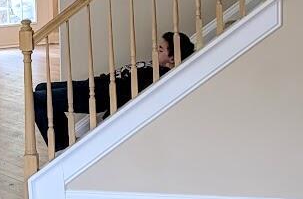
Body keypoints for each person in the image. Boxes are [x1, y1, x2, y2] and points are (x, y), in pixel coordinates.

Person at [33, 31, 195, 152]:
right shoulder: (152, 67)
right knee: (41, 88)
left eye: (160, 50)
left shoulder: (159, 75)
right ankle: (65, 143)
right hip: (93, 83)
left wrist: (106, 119)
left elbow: (127, 95)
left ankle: (63, 147)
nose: (155, 50)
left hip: (96, 95)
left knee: (36, 98)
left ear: (173, 58)